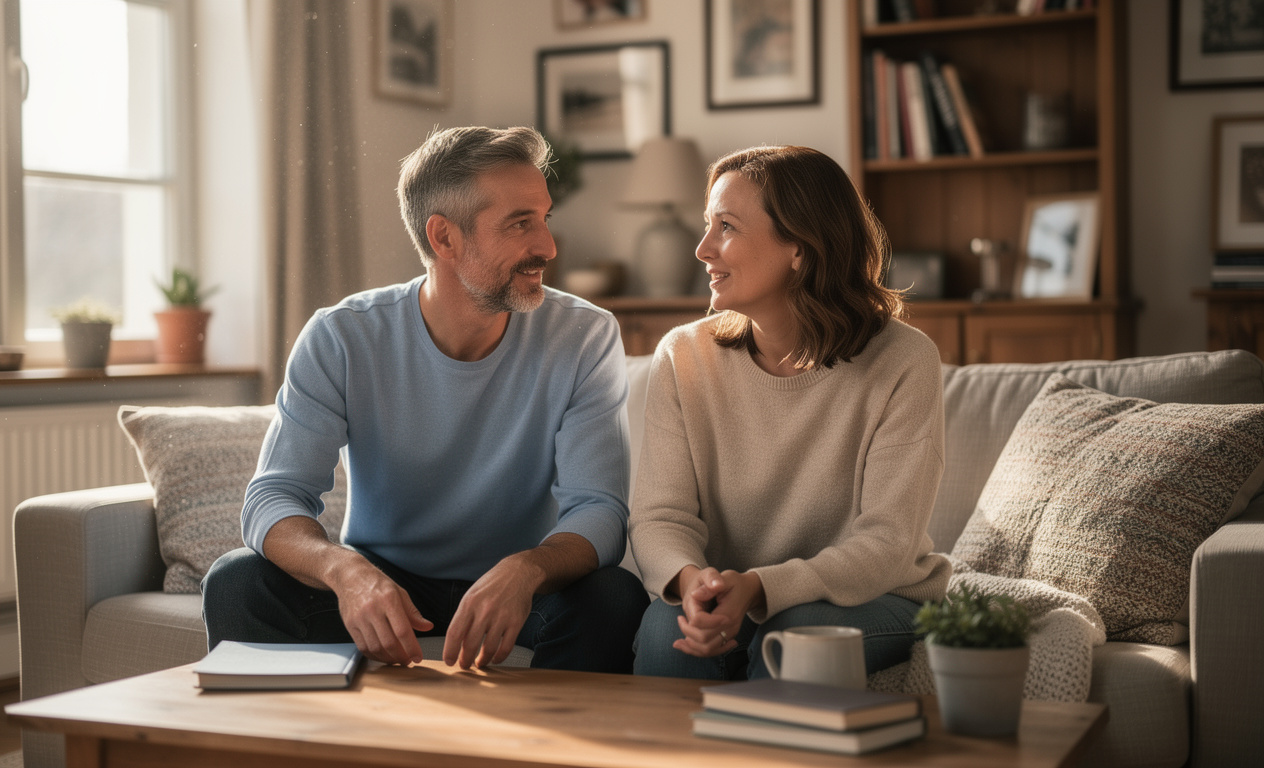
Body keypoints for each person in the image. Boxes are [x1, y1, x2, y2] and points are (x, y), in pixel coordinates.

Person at [202, 126, 646, 673]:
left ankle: (537, 754)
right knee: (236, 583)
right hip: (386, 579)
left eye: (544, 218)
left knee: (614, 598)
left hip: (523, 585)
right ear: (444, 238)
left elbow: (599, 509)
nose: (547, 247)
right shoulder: (342, 336)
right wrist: (344, 571)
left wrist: (528, 569)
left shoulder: (585, 334)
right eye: (520, 223)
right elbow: (273, 497)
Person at [628, 145, 952, 681]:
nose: (702, 249)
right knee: (669, 633)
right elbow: (662, 516)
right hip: (729, 591)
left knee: (792, 637)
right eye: (707, 225)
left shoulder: (903, 360)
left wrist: (758, 588)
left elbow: (887, 543)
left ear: (799, 248)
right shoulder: (684, 355)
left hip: (876, 596)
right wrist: (693, 585)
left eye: (726, 226)